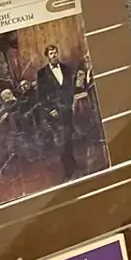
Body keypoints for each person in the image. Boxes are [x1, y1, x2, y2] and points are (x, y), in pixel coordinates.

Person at [36, 43, 81, 178]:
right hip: (55, 112)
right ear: (47, 56)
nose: (54, 55)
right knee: (61, 140)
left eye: (55, 52)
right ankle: (67, 170)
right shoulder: (42, 74)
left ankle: (73, 163)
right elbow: (41, 96)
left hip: (67, 109)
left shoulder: (66, 69)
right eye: (51, 53)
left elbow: (70, 88)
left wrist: (71, 103)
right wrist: (50, 110)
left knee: (69, 137)